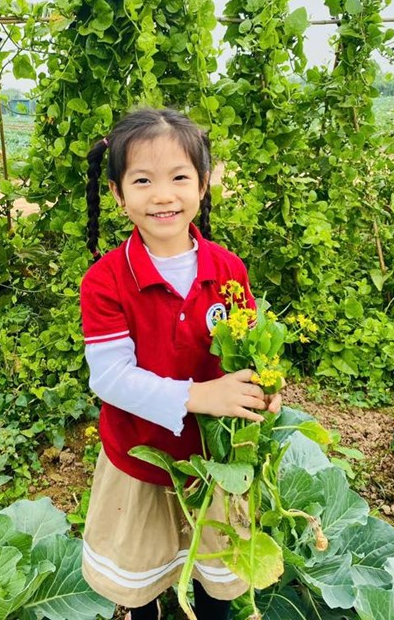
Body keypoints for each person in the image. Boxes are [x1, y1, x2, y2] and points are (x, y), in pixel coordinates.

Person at [80, 108, 281, 620]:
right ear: (118, 194)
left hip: (216, 460)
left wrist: (263, 387)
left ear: (203, 184)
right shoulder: (106, 280)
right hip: (141, 457)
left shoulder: (228, 269)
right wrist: (201, 395)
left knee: (218, 573)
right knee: (140, 579)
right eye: (142, 181)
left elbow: (250, 349)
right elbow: (110, 377)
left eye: (179, 178)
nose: (163, 195)